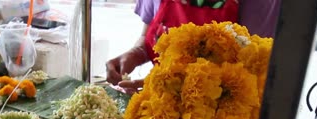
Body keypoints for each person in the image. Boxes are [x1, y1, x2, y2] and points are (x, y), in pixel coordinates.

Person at [106, 0, 282, 93]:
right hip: (162, 114)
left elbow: (253, 75)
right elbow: (148, 36)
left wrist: (177, 85)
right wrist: (137, 52)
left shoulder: (262, 3)